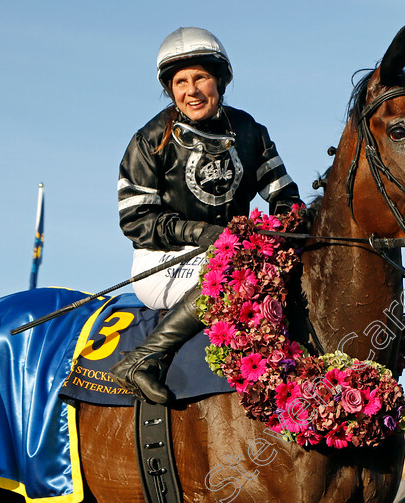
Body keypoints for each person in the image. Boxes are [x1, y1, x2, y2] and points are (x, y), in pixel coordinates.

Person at [110, 27, 301, 403]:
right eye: (180, 81)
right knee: (233, 283)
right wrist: (200, 233)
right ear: (171, 89)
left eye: (200, 78)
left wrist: (287, 228)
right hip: (165, 259)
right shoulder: (148, 140)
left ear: (220, 81)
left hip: (230, 253)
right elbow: (135, 220)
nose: (191, 90)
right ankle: (141, 360)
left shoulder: (250, 131)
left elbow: (285, 197)